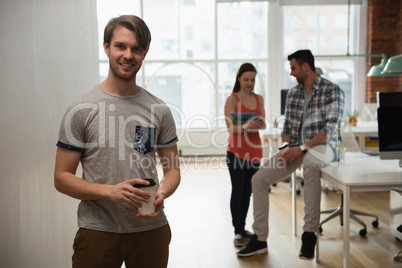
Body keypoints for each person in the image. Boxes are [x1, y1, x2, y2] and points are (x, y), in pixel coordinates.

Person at [54, 15, 181, 268]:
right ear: (106, 47)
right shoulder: (81, 109)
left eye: (136, 49)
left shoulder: (159, 109)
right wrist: (109, 191)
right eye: (120, 46)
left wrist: (162, 191)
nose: (128, 55)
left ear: (144, 53)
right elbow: (61, 178)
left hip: (150, 230)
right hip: (98, 231)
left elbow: (173, 170)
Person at [237, 50, 345, 260]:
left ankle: (309, 234)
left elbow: (329, 131)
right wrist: (285, 148)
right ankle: (259, 238)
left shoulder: (333, 91)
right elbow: (288, 128)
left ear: (306, 67)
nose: (292, 72)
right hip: (297, 147)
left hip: (324, 147)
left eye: (294, 68)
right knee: (259, 178)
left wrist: (302, 148)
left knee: (311, 165)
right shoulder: (294, 93)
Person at [224, 63, 266, 247]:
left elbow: (263, 124)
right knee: (238, 191)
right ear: (239, 79)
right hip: (236, 152)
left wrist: (257, 124)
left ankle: (242, 228)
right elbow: (230, 128)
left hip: (255, 151)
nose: (249, 83)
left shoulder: (259, 98)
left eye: (253, 80)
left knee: (248, 193)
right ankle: (237, 231)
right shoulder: (232, 99)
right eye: (246, 79)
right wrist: (247, 126)